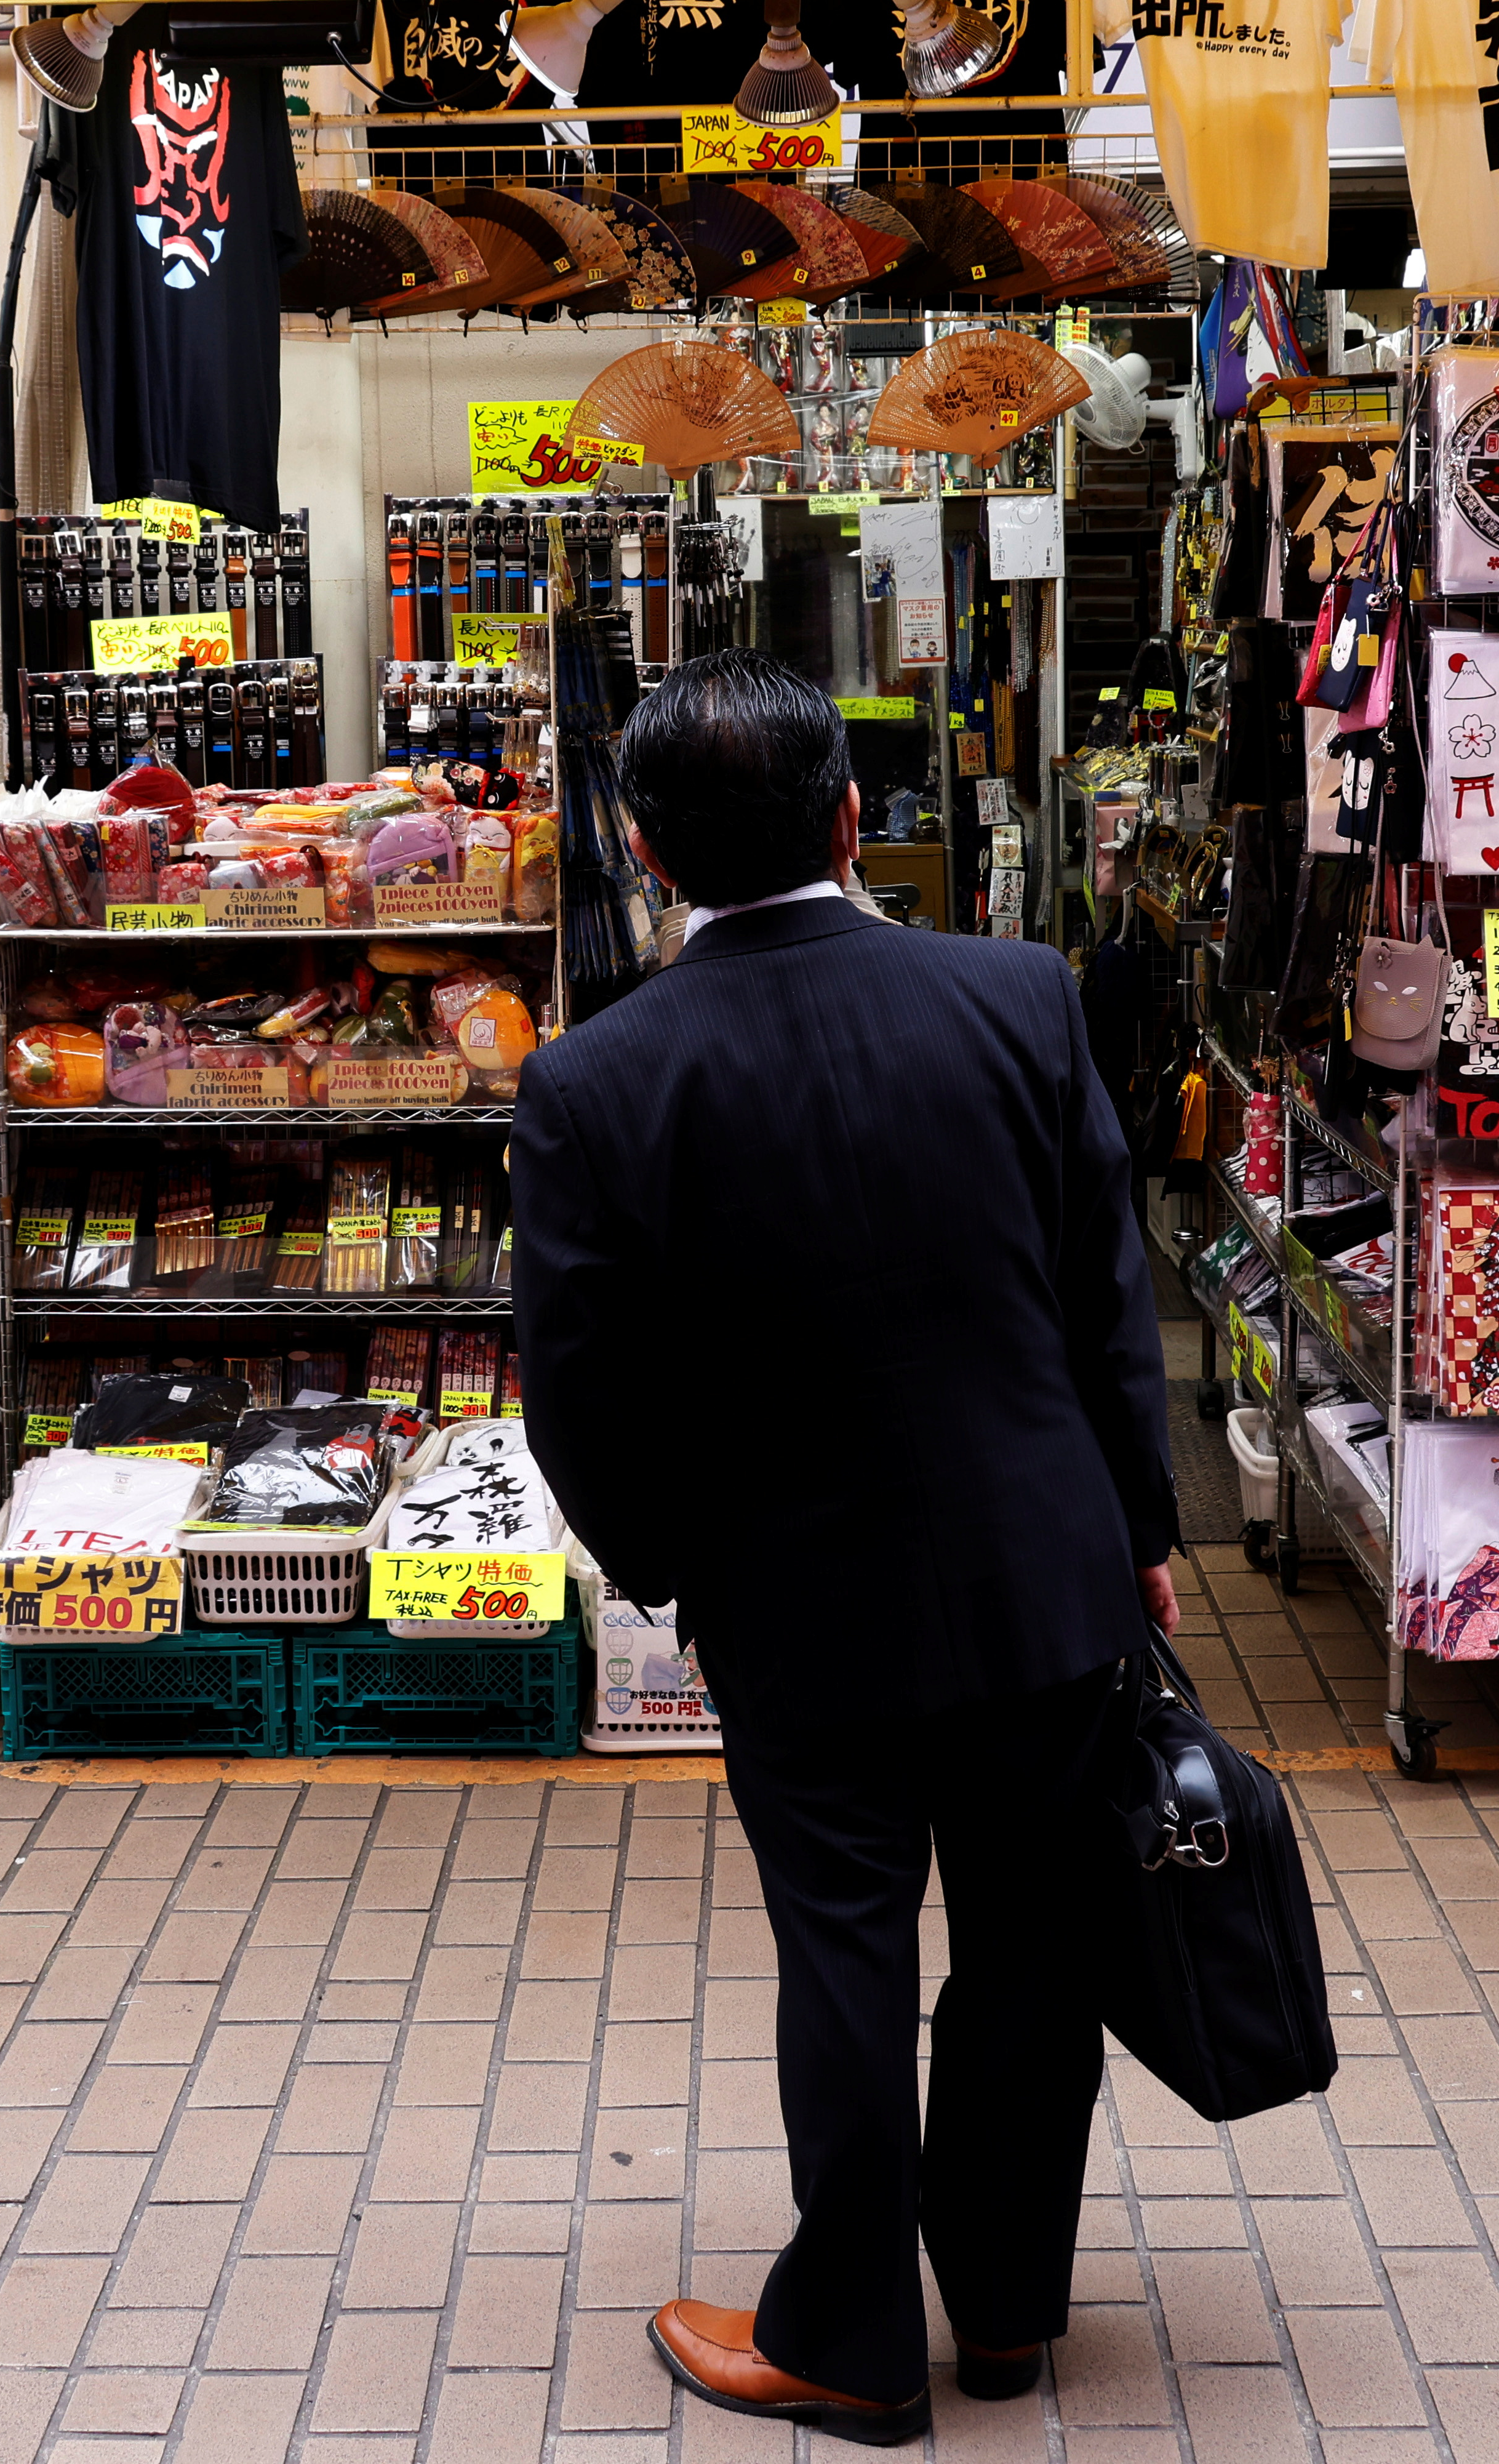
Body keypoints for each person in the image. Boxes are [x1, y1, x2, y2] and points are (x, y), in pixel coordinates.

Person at [510, 650, 1180, 2449]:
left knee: (846, 1949)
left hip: (793, 1602)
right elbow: (1110, 1292)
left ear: (644, 849)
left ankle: (856, 2334)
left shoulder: (594, 1080)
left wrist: (666, 1564)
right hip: (1044, 1567)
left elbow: (572, 1388)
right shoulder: (1020, 998)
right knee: (1034, 1944)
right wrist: (1145, 1525)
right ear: (853, 818)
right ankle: (1012, 2314)